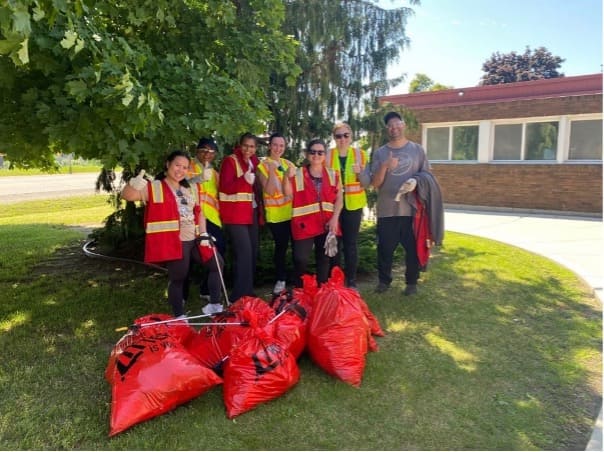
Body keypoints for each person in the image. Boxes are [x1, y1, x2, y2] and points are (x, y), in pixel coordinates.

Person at [121, 150, 225, 318]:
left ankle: (214, 305)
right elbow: (128, 195)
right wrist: (132, 184)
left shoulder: (190, 186)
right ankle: (179, 316)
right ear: (168, 164)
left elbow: (200, 213)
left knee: (217, 264)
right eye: (177, 165)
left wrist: (204, 234)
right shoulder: (155, 187)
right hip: (176, 241)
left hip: (196, 238)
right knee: (178, 278)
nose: (180, 170)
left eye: (185, 167)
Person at [370, 111, 431, 296]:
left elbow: (427, 176)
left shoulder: (417, 150)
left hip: (412, 210)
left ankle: (411, 283)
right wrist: (384, 166)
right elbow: (375, 183)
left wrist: (414, 182)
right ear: (387, 129)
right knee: (385, 249)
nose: (394, 128)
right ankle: (384, 282)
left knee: (412, 248)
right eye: (390, 126)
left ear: (403, 125)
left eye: (397, 124)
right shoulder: (380, 153)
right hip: (387, 209)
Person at [283, 138, 343, 288]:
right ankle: (300, 289)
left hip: (327, 223)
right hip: (304, 224)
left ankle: (322, 291)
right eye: (313, 152)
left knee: (324, 260)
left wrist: (335, 219)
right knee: (300, 259)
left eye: (320, 152)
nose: (316, 155)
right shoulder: (297, 173)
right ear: (307, 154)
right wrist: (285, 177)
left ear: (325, 154)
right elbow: (288, 194)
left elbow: (339, 199)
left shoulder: (333, 174)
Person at [325, 122, 371, 290]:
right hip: (333, 207)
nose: (342, 139)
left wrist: (360, 173)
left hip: (353, 206)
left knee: (351, 244)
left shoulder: (361, 154)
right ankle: (335, 281)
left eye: (346, 135)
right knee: (334, 243)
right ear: (334, 138)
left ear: (351, 137)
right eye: (339, 136)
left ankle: (351, 282)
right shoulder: (327, 156)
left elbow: (366, 183)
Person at [218, 132, 261, 303]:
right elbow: (225, 188)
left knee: (252, 253)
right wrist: (244, 179)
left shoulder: (254, 162)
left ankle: (248, 291)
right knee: (244, 253)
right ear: (239, 144)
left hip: (251, 213)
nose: (248, 149)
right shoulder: (230, 161)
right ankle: (239, 296)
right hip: (235, 214)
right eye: (245, 145)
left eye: (251, 146)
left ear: (255, 148)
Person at [187, 138, 226, 310]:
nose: (207, 154)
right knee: (188, 258)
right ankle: (182, 294)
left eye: (211, 151)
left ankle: (206, 290)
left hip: (212, 219)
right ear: (197, 151)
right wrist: (196, 179)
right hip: (192, 218)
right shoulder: (189, 167)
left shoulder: (215, 173)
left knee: (216, 256)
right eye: (204, 150)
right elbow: (180, 184)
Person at [256, 132, 296, 295]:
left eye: (281, 145)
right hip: (276, 214)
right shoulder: (263, 166)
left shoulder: (289, 164)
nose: (278, 148)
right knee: (281, 248)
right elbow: (271, 191)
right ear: (269, 146)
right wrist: (273, 171)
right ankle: (281, 280)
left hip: (292, 213)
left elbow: (295, 190)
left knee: (297, 248)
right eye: (275, 145)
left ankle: (297, 280)